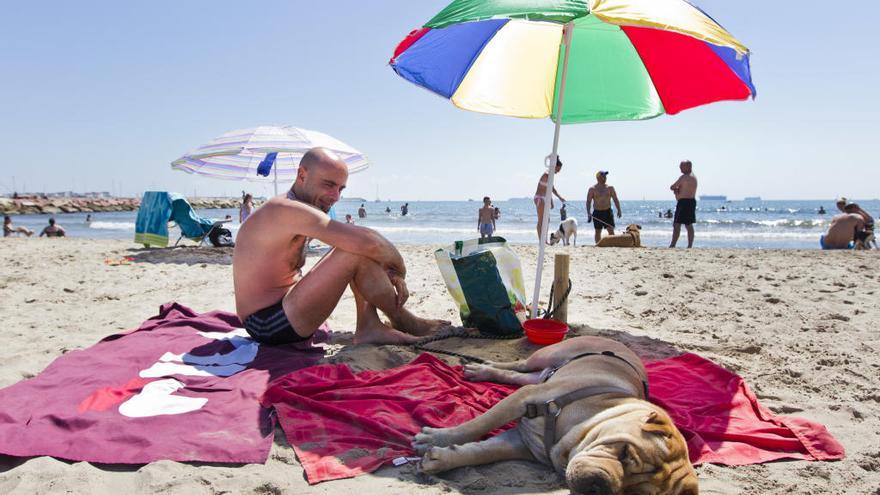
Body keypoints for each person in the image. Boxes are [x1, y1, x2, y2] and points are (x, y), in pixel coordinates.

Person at [233, 148, 449, 346]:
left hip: (287, 309)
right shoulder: (283, 209)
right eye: (328, 184)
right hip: (267, 324)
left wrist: (391, 270)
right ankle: (405, 320)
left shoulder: (297, 207)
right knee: (354, 248)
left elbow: (366, 242)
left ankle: (369, 326)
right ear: (302, 175)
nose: (335, 196)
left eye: (340, 188)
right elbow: (371, 242)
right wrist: (399, 273)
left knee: (355, 246)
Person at [534, 156, 566, 240]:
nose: (558, 172)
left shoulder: (551, 175)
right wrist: (560, 197)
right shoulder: (547, 174)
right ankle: (542, 241)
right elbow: (552, 188)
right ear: (555, 166)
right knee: (542, 221)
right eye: (558, 169)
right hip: (539, 198)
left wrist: (552, 200)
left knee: (546, 220)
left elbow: (549, 188)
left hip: (545, 197)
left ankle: (543, 240)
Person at [586, 170, 621, 244]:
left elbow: (615, 199)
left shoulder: (610, 188)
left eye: (605, 176)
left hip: (607, 212)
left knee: (611, 230)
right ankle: (598, 245)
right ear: (598, 178)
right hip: (597, 212)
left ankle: (612, 245)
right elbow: (588, 202)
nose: (605, 178)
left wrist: (619, 210)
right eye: (603, 176)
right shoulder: (592, 189)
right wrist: (588, 213)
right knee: (598, 231)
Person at [669, 160, 698, 248]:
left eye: (682, 166)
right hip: (691, 201)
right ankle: (690, 245)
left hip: (683, 202)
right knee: (689, 224)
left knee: (677, 224)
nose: (680, 168)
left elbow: (672, 186)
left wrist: (676, 190)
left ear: (688, 167)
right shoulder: (694, 177)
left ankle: (673, 244)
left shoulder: (684, 177)